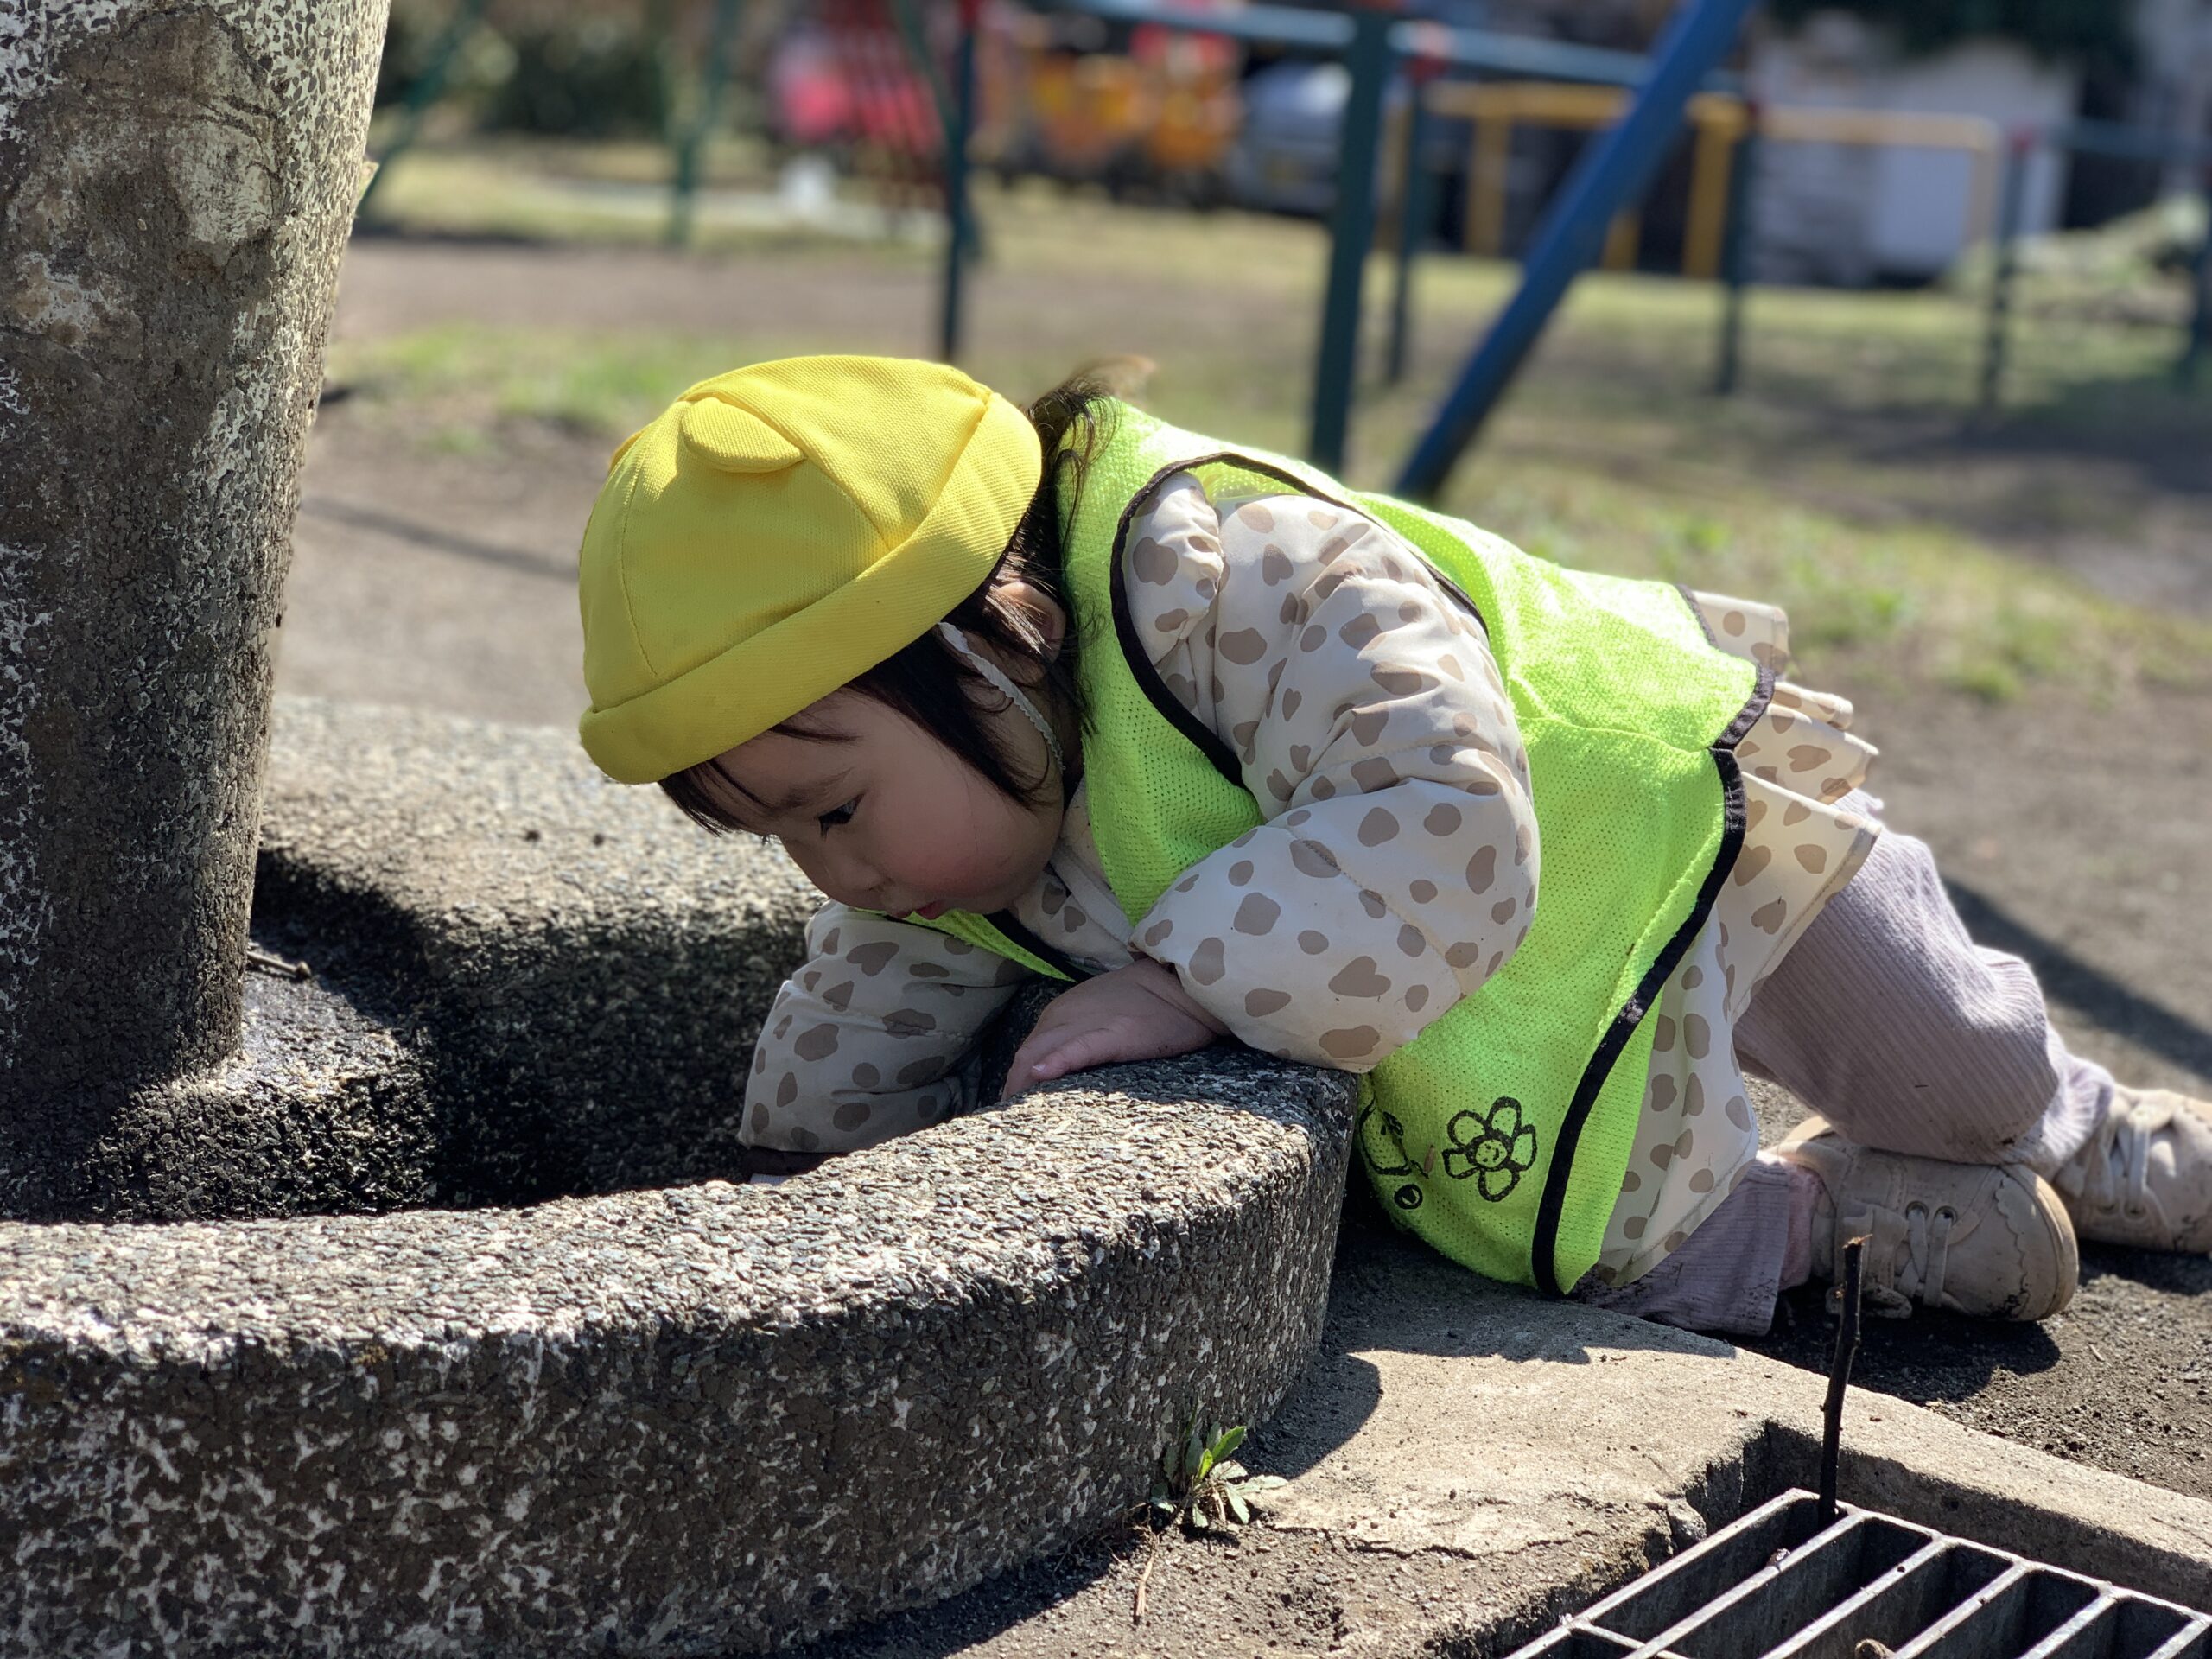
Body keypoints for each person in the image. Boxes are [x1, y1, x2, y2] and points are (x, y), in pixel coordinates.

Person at [573, 354, 2212, 1336]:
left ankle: (2095, 1135)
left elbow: (1445, 813)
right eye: (774, 834)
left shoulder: (1238, 577)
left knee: (1958, 1065)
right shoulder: (951, 828)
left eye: (831, 807)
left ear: (999, 637)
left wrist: (1180, 980)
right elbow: (869, 996)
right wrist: (793, 1200)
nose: (833, 872)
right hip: (1451, 998)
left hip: (1672, 848)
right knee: (1601, 1252)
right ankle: (1843, 1221)